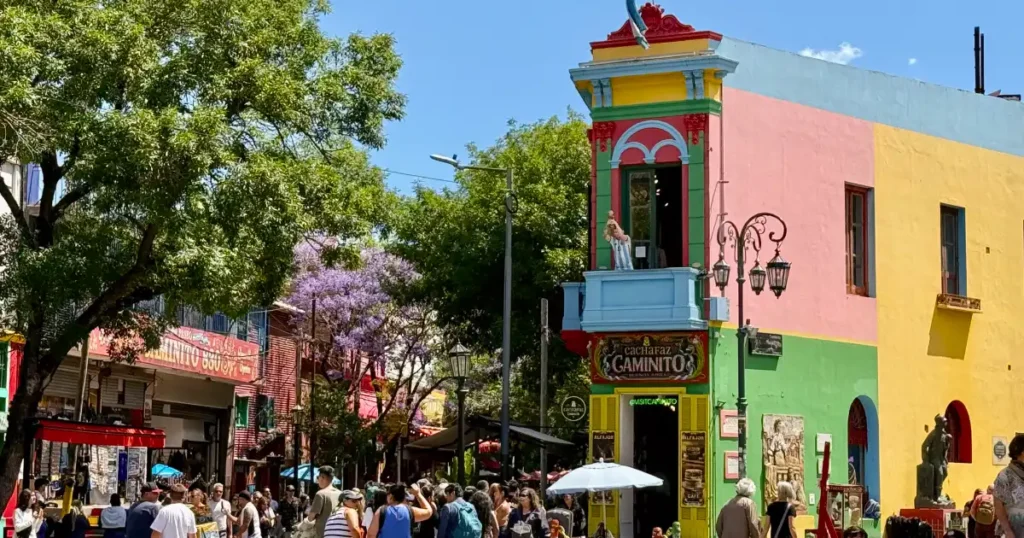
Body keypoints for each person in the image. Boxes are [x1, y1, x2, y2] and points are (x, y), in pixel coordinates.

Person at [367, 483, 433, 538]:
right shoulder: (410, 510)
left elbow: (371, 535)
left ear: (390, 496)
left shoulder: (382, 510)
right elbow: (429, 512)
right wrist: (418, 494)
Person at [996, 435, 1024, 538]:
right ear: (1022, 452)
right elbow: (998, 506)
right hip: (1013, 532)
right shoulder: (1006, 475)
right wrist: (1008, 531)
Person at [307, 466, 343, 538]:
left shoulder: (320, 494)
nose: (318, 480)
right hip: (338, 532)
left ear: (322, 478)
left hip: (324, 533)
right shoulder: (340, 493)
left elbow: (310, 518)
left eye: (318, 477)